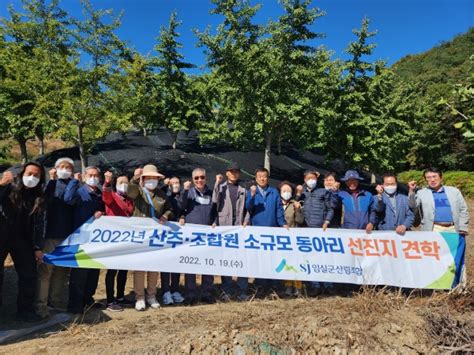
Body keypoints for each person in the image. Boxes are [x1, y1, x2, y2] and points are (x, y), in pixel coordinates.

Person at [0, 162, 46, 322]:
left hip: (22, 238)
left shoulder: (38, 196)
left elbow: (39, 224)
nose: (32, 178)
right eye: (29, 173)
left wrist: (37, 247)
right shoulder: (8, 187)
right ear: (22, 174)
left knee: (29, 274)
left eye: (36, 175)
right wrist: (1, 184)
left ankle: (25, 311)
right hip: (2, 234)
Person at [129, 164, 173, 311]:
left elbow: (169, 208)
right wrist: (135, 180)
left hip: (155, 236)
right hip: (140, 235)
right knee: (140, 267)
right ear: (144, 179)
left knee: (154, 266)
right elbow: (131, 192)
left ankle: (151, 296)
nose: (152, 180)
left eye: (154, 178)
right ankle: (139, 297)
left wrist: (166, 215)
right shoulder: (139, 192)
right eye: (149, 178)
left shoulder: (161, 194)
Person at [35, 157, 75, 319]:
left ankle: (55, 301)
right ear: (56, 169)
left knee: (62, 271)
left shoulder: (74, 185)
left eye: (68, 167)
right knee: (45, 271)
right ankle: (40, 305)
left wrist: (73, 183)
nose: (65, 170)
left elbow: (70, 201)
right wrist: (51, 180)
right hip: (50, 234)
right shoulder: (49, 185)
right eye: (62, 167)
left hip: (68, 235)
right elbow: (44, 199)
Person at [64, 166, 105, 314]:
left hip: (94, 239)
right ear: (85, 176)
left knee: (93, 271)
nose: (93, 178)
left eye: (96, 175)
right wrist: (75, 181)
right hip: (79, 238)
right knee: (79, 273)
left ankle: (88, 299)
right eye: (90, 175)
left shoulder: (99, 194)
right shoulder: (80, 192)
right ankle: (75, 304)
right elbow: (68, 199)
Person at [245, 168, 287, 294]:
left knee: (272, 259)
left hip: (271, 232)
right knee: (259, 259)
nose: (262, 179)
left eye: (264, 176)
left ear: (267, 178)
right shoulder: (252, 191)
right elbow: (248, 207)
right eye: (259, 176)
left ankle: (273, 285)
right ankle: (260, 285)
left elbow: (279, 210)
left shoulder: (274, 192)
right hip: (257, 232)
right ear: (256, 178)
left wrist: (283, 224)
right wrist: (252, 196)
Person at [213, 162, 249, 302]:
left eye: (236, 172)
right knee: (226, 260)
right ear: (227, 173)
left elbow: (247, 209)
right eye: (231, 171)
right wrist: (217, 183)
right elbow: (214, 203)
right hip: (225, 228)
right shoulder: (221, 188)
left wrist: (246, 221)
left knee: (242, 259)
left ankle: (242, 290)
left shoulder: (243, 190)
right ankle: (226, 290)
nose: (234, 174)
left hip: (239, 228)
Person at [180, 168, 217, 305]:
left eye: (202, 177)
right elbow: (181, 206)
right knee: (191, 264)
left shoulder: (212, 193)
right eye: (196, 178)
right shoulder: (188, 193)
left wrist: (215, 222)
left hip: (207, 235)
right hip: (192, 236)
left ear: (206, 178)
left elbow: (215, 211)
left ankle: (207, 293)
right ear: (193, 179)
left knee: (207, 264)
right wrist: (184, 191)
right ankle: (190, 294)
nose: (199, 180)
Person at [296, 170, 335, 294]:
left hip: (321, 229)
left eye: (313, 178)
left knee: (325, 257)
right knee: (310, 258)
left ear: (317, 179)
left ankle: (328, 285)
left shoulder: (323, 192)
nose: (311, 180)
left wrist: (327, 221)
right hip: (306, 229)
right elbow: (295, 203)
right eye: (308, 178)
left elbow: (330, 209)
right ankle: (315, 285)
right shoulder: (302, 192)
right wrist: (298, 193)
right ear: (304, 179)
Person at [102, 171, 135, 312]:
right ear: (116, 184)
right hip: (113, 239)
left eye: (126, 182)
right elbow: (106, 196)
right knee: (112, 270)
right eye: (121, 182)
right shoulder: (113, 197)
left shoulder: (129, 199)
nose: (124, 185)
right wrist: (107, 183)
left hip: (126, 239)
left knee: (123, 269)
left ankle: (120, 296)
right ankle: (110, 300)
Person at [408, 168, 469, 235]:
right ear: (426, 180)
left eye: (434, 176)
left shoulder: (454, 191)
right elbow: (412, 205)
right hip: (433, 228)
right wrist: (411, 191)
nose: (432, 180)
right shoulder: (421, 193)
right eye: (428, 177)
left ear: (441, 177)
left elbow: (463, 209)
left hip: (453, 228)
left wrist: (463, 227)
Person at [160, 176, 185, 306]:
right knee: (166, 262)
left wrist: (182, 216)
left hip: (178, 234)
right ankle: (165, 291)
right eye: (173, 183)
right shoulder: (165, 195)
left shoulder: (182, 195)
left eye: (177, 183)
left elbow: (184, 209)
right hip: (166, 233)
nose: (175, 185)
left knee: (176, 262)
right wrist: (165, 186)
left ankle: (175, 289)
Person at [279, 181, 304, 297]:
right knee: (285, 263)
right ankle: (288, 286)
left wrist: (298, 209)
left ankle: (298, 287)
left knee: (296, 263)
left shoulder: (295, 203)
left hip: (294, 237)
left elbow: (300, 221)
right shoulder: (277, 203)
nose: (286, 193)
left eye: (288, 191)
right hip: (280, 238)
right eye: (284, 191)